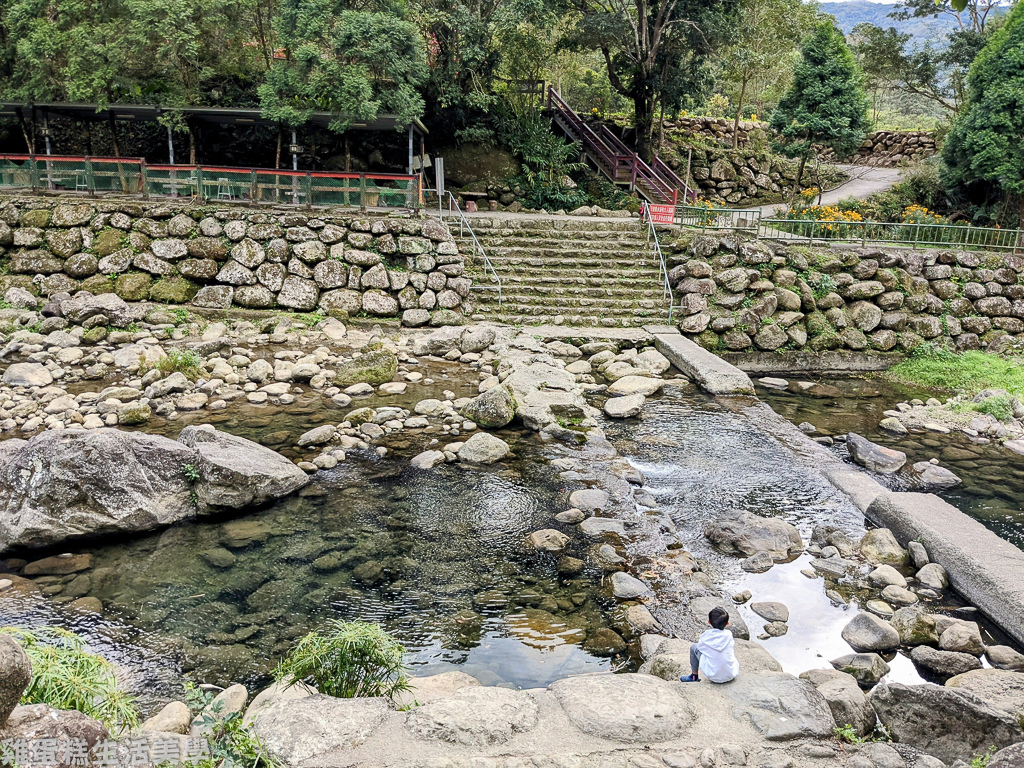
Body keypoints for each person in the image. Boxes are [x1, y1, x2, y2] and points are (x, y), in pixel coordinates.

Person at [680, 606, 739, 683]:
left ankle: (694, 677)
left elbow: (700, 648)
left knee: (694, 647)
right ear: (727, 623)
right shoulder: (729, 635)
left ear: (709, 622)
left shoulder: (706, 637)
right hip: (731, 674)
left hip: (713, 676)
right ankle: (724, 669)